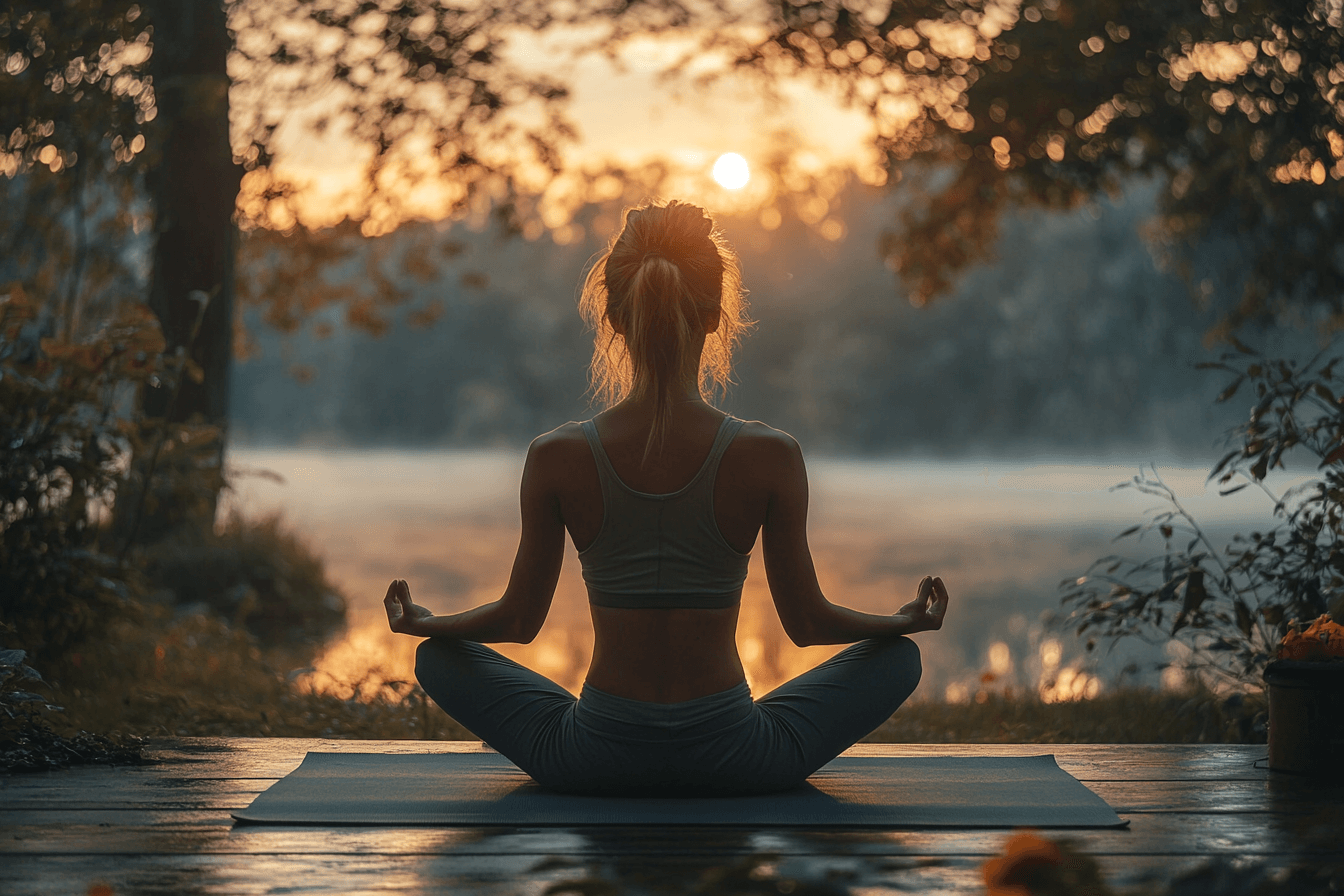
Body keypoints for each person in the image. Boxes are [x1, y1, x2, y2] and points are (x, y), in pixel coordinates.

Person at [384, 199, 950, 796]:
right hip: (739, 758)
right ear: (714, 317)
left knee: (439, 658)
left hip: (592, 757)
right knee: (898, 659)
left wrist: (429, 624)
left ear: (613, 317)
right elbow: (807, 624)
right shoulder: (770, 454)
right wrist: (899, 621)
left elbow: (520, 621)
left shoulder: (558, 455)